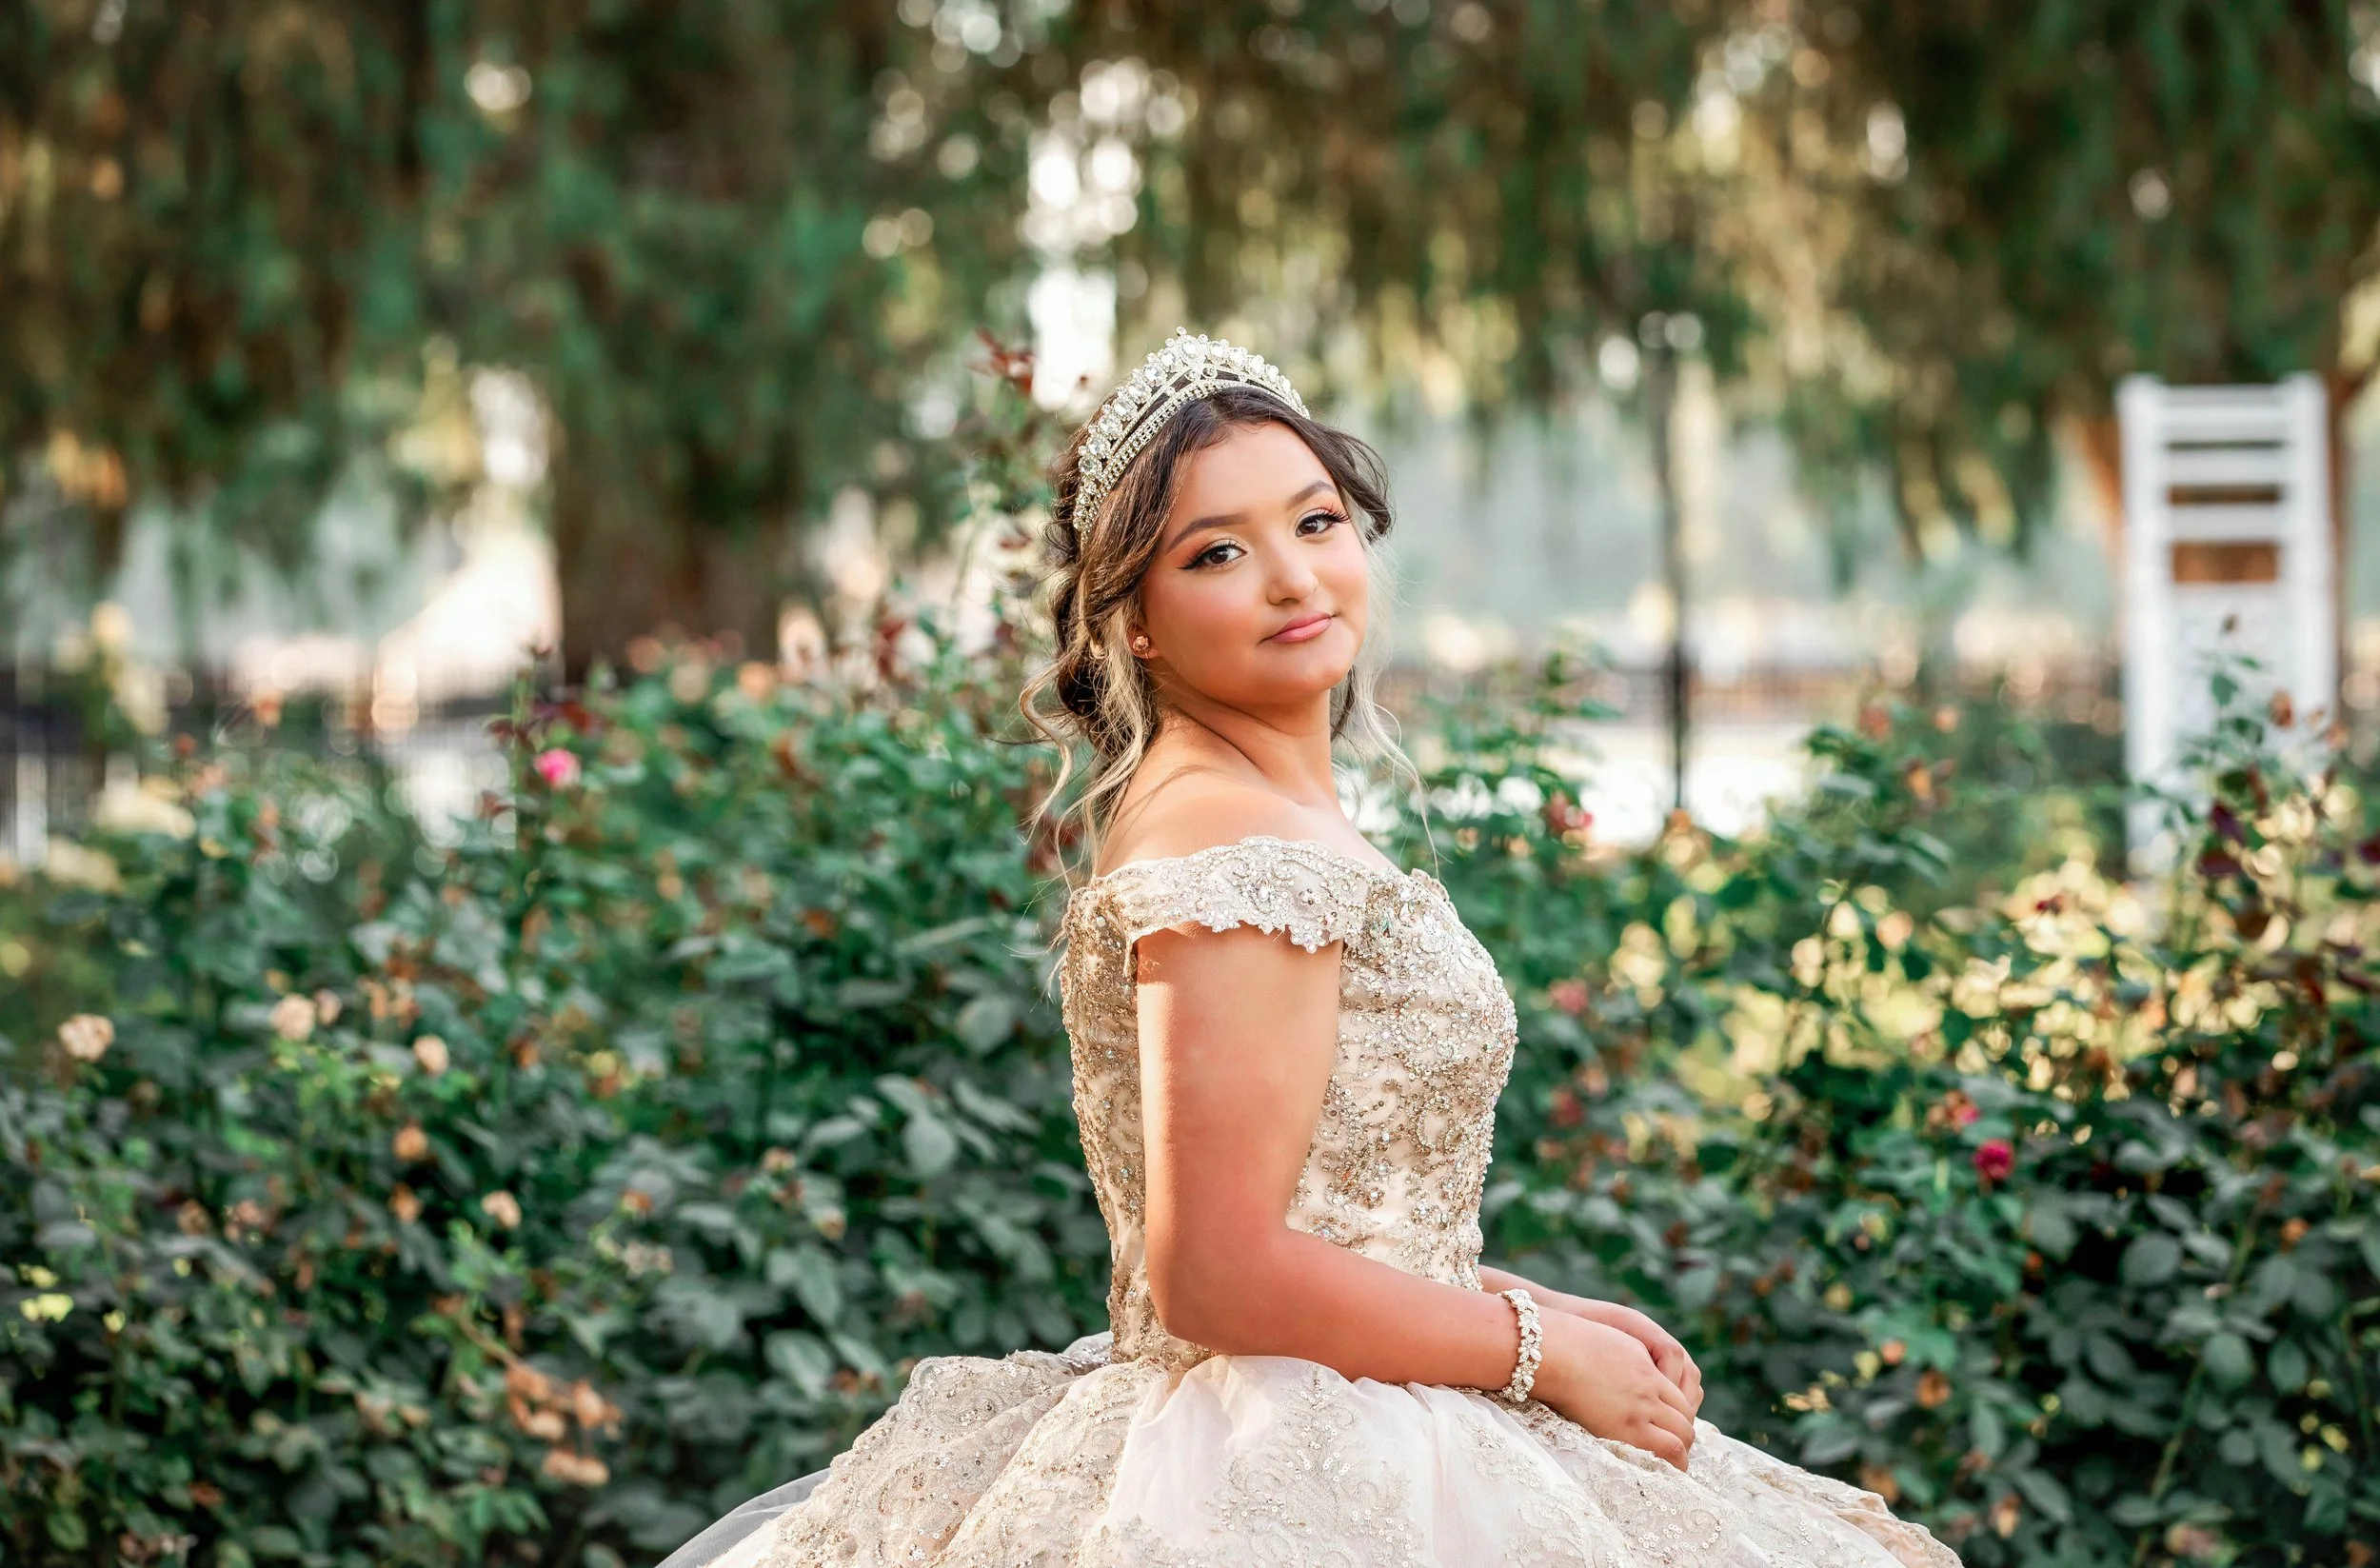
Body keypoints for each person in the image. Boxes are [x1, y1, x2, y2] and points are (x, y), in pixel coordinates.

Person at [676, 330, 1960, 1567]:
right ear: (1134, 621)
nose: (1293, 578)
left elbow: (1325, 1217)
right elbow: (1214, 1272)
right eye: (1219, 553)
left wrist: (1525, 1304)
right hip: (1277, 1461)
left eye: (1315, 521)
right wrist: (1535, 1353)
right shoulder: (1230, 836)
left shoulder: (1247, 806)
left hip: (1342, 1402)